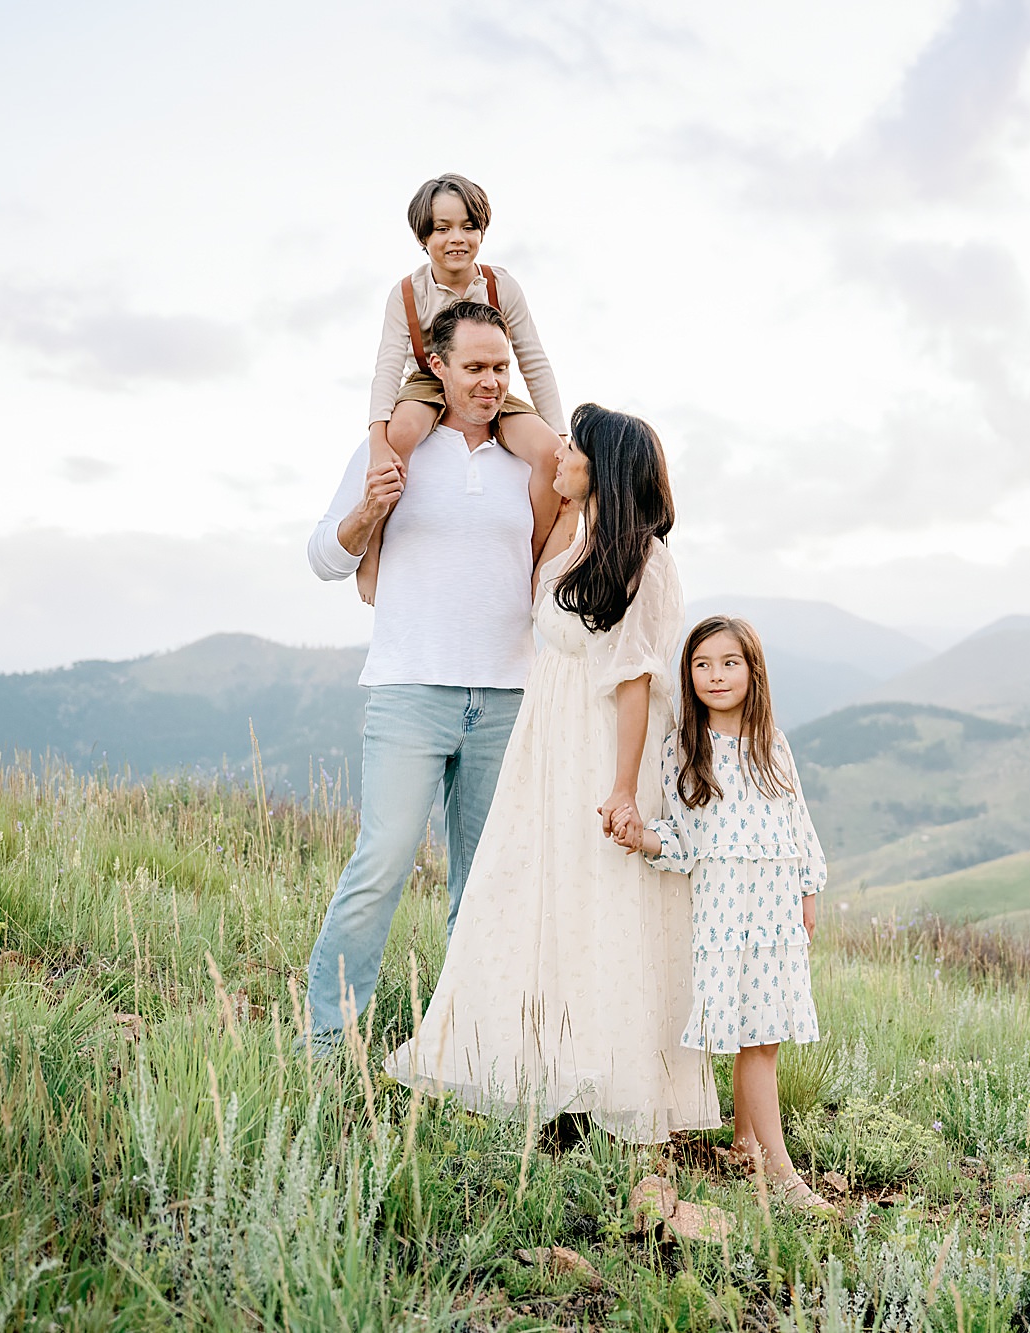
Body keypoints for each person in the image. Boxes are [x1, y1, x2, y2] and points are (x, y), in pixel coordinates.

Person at [387, 404, 721, 1144]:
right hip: (550, 746)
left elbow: (636, 680)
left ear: (603, 466)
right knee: (545, 896)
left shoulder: (647, 561)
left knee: (603, 902)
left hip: (603, 748)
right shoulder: (585, 542)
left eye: (573, 445)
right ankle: (544, 1065)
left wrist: (624, 787)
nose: (559, 452)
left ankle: (606, 1082)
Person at [301, 300, 542, 1050]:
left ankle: (465, 1042)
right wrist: (364, 516)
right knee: (382, 861)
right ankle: (328, 1040)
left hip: (507, 695)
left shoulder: (526, 459)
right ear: (436, 368)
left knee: (486, 882)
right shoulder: (393, 449)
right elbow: (323, 557)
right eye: (474, 367)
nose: (491, 382)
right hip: (411, 687)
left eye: (500, 368)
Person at [610, 615, 836, 1214]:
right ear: (688, 676)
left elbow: (798, 824)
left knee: (761, 1032)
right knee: (753, 1035)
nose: (715, 675)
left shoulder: (773, 745)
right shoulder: (681, 749)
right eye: (702, 664)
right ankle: (784, 1177)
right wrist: (642, 839)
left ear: (752, 671)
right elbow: (682, 840)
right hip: (724, 910)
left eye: (729, 663)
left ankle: (744, 1144)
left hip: (776, 904)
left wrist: (808, 890)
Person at [354, 173, 565, 604]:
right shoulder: (407, 295)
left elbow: (533, 358)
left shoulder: (500, 285)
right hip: (429, 381)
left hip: (490, 383)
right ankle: (373, 545)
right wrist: (378, 438)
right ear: (422, 237)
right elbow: (388, 366)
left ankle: (531, 559)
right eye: (443, 228)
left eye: (469, 227)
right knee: (403, 431)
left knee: (547, 452)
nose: (457, 238)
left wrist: (561, 433)